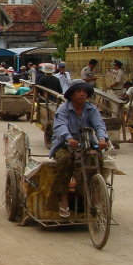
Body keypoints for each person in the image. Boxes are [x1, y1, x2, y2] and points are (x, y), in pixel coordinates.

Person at [50, 79, 108, 218]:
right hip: (65, 144)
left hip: (86, 144)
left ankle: (93, 192)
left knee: (97, 159)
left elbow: (99, 125)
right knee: (65, 160)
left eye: (84, 92)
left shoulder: (91, 109)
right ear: (71, 94)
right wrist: (69, 138)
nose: (82, 94)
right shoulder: (63, 109)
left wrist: (102, 139)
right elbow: (60, 126)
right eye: (78, 91)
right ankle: (63, 198)